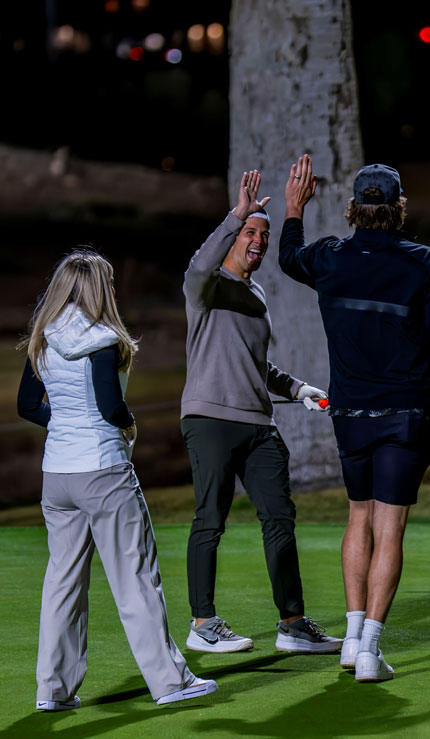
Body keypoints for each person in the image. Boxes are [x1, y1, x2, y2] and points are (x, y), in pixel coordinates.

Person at [279, 155, 430, 681]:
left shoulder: (330, 258)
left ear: (355, 208)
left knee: (359, 515)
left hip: (350, 414)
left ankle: (350, 642)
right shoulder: (422, 262)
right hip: (405, 417)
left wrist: (293, 209)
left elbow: (287, 258)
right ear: (398, 208)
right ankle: (370, 650)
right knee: (389, 528)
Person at [17, 250, 217, 710]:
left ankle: (53, 691)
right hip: (103, 470)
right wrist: (128, 424)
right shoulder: (103, 338)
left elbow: (28, 407)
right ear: (97, 288)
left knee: (62, 584)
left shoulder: (42, 339)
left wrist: (64, 420)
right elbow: (110, 406)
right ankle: (170, 683)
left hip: (57, 477)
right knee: (136, 578)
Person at [181, 169, 339, 654]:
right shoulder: (206, 288)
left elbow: (258, 366)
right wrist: (237, 213)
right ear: (234, 236)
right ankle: (203, 623)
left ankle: (292, 625)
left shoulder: (256, 295)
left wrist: (298, 388)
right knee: (210, 518)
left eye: (264, 235)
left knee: (280, 518)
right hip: (210, 420)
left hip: (257, 424)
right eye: (252, 232)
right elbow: (196, 267)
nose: (259, 241)